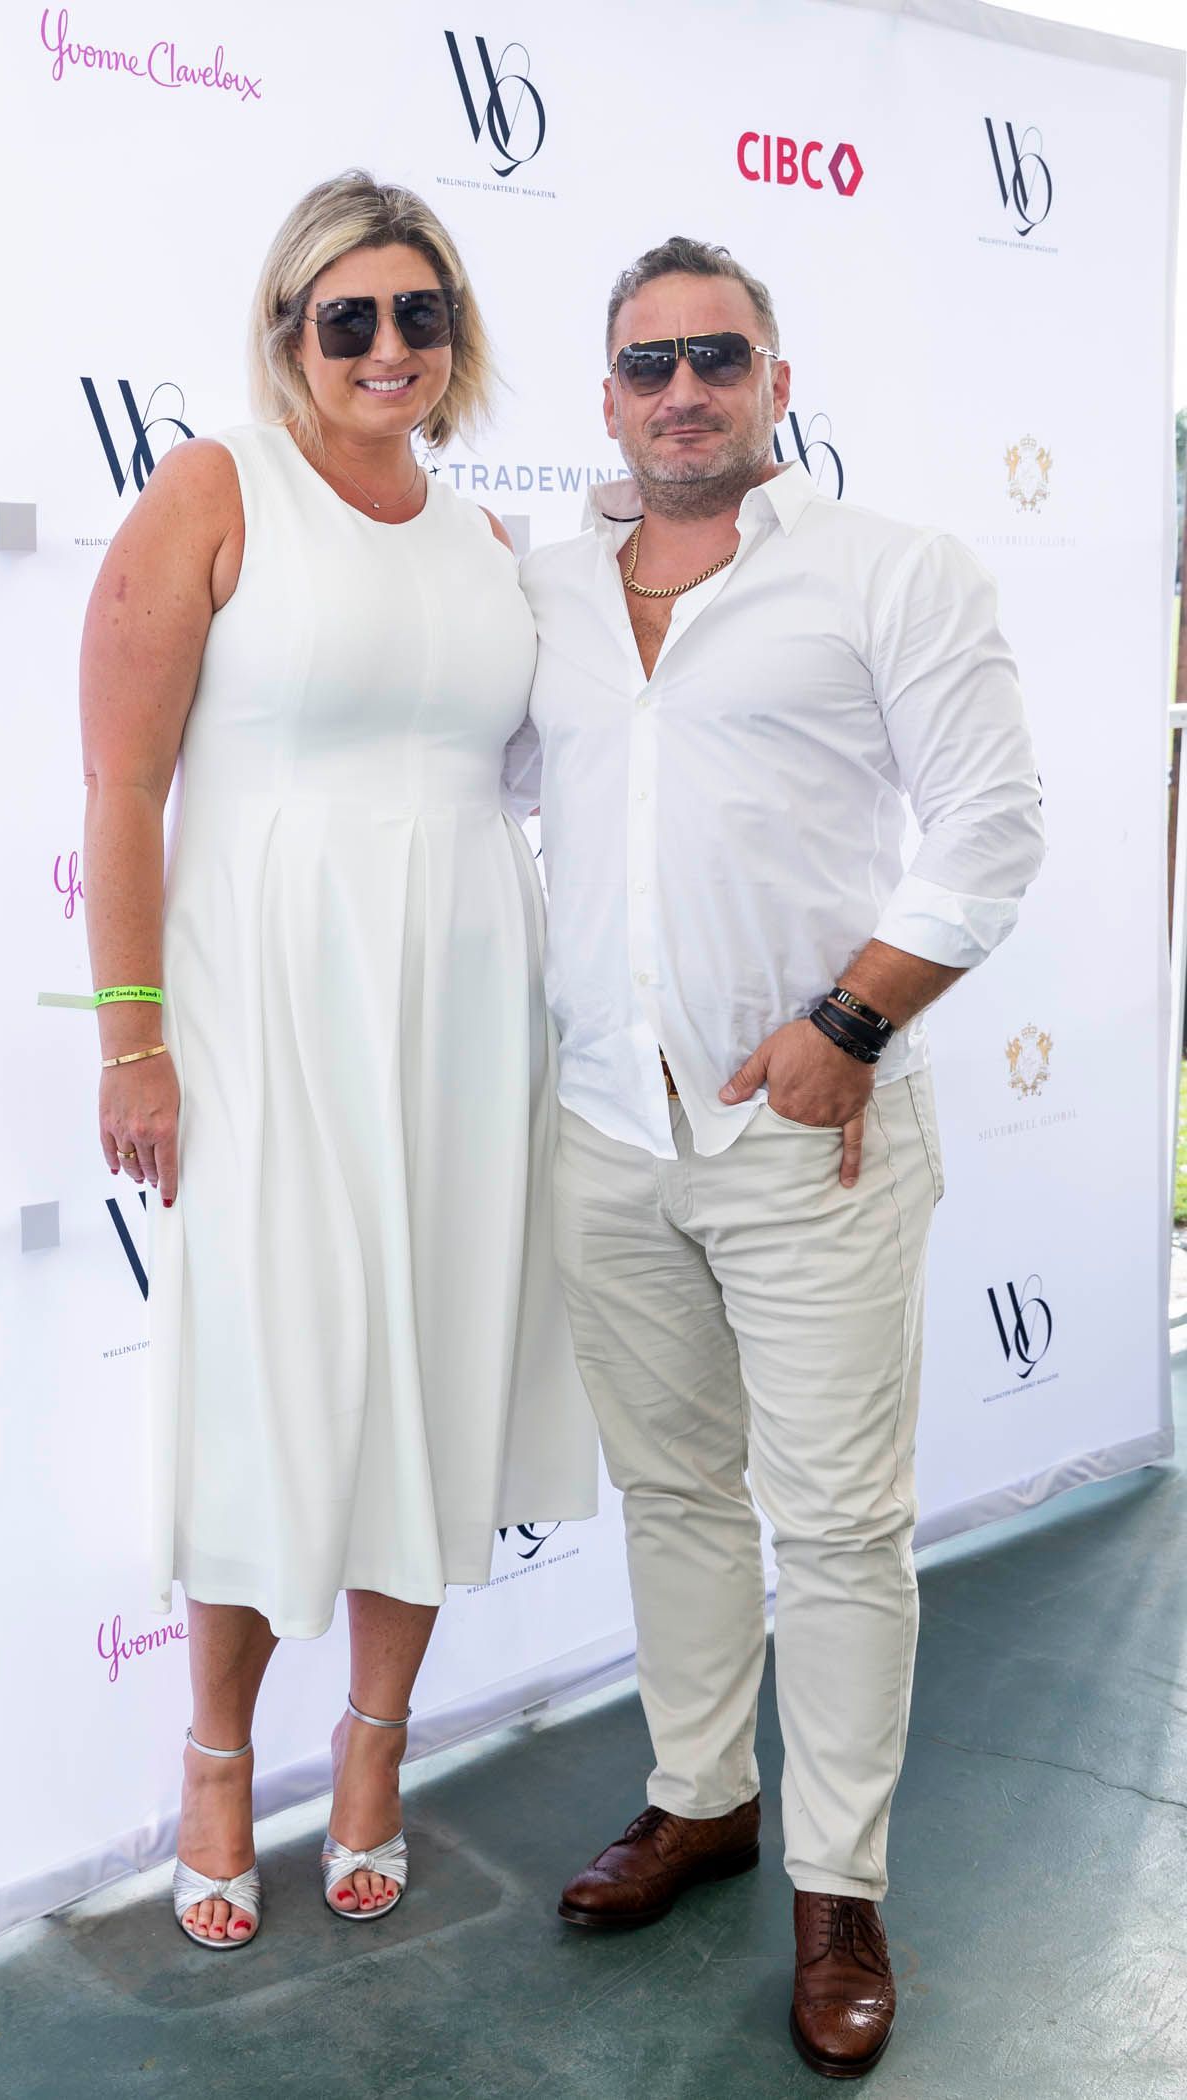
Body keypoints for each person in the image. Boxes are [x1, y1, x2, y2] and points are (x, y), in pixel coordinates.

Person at [518, 237, 1044, 2077]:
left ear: (776, 382)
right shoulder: (549, 592)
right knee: (672, 1492)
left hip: (807, 1134)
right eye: (649, 363)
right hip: (603, 1126)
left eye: (717, 358)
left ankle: (840, 1891)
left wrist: (851, 1025)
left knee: (834, 1528)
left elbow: (992, 824)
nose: (684, 390)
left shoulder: (889, 572)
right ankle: (700, 1797)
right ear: (606, 399)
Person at [78, 171, 597, 1954]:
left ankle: (374, 1753)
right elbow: (119, 794)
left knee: (431, 1376)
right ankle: (217, 1763)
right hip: (268, 1013)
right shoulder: (216, 489)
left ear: (457, 340)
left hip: (465, 1012)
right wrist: (133, 1047)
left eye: (420, 315)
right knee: (275, 1380)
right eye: (348, 317)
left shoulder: (489, 539)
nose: (388, 347)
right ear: (289, 332)